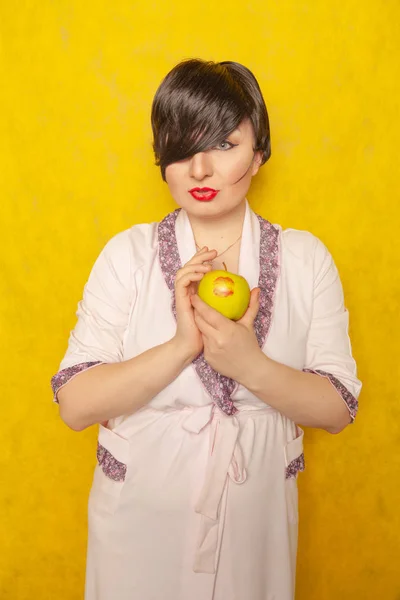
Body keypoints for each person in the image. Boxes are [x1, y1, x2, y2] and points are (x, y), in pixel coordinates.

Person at [51, 59, 361, 600]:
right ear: (161, 159)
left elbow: (337, 409)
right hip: (139, 527)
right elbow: (75, 404)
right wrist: (180, 347)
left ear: (259, 151)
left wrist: (250, 366)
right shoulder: (128, 255)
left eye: (223, 143)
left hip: (255, 528)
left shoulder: (306, 259)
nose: (199, 169)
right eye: (181, 146)